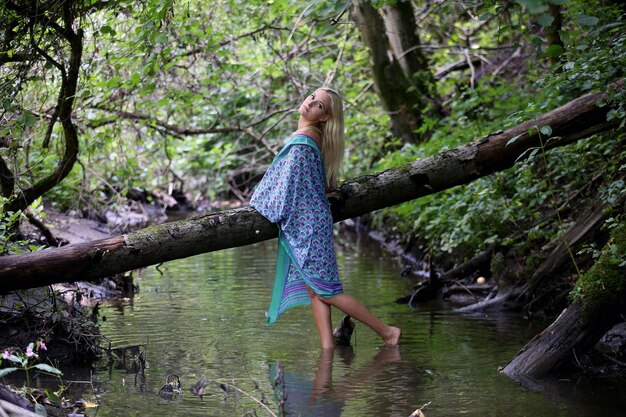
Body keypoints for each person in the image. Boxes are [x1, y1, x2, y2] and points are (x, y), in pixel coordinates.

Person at [250, 87, 401, 348]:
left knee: (327, 290)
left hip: (309, 229)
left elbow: (287, 192)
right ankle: (327, 350)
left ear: (325, 117)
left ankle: (388, 332)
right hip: (313, 223)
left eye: (318, 105)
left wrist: (260, 203)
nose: (310, 103)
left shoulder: (303, 144)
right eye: (311, 97)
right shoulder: (311, 138)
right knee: (315, 290)